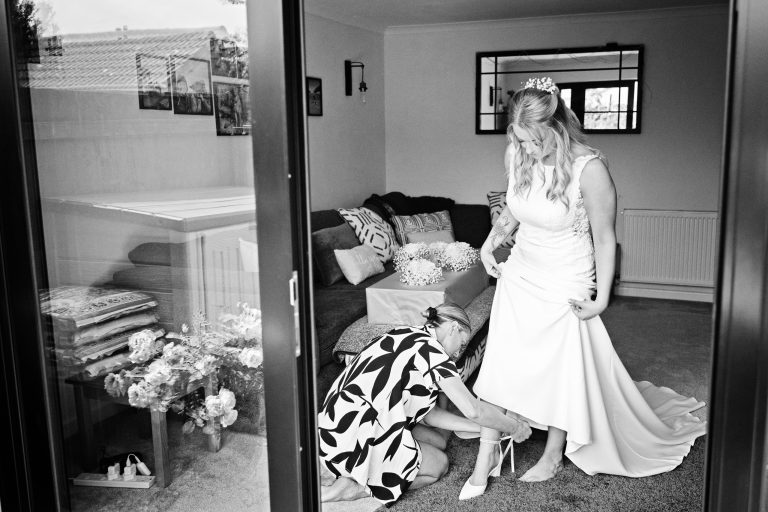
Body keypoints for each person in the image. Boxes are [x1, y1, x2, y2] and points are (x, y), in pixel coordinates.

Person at [461, 77, 707, 500]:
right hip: (521, 269)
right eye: (520, 140)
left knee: (561, 363)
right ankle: (496, 443)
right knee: (508, 357)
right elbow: (515, 211)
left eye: (536, 141)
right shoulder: (517, 151)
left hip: (566, 276)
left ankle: (554, 451)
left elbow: (605, 237)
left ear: (557, 126)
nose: (529, 150)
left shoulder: (589, 168)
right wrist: (488, 245)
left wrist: (603, 297)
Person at [318, 302, 532, 506]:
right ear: (453, 328)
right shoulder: (434, 354)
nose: (458, 353)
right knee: (438, 465)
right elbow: (473, 410)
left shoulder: (401, 332)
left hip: (331, 430)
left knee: (437, 441)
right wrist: (514, 427)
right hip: (359, 441)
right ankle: (352, 489)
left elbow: (430, 415)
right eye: (462, 343)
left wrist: (487, 430)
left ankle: (344, 470)